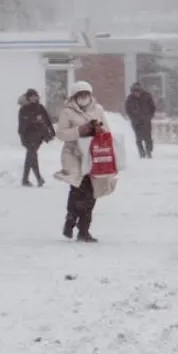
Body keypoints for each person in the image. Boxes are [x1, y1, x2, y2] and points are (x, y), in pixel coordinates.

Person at [54, 81, 115, 242]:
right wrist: (79, 131)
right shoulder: (67, 112)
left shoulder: (98, 109)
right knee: (77, 189)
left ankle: (84, 230)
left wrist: (98, 130)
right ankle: (71, 219)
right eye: (80, 95)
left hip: (94, 155)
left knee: (92, 193)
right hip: (74, 155)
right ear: (75, 96)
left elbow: (107, 132)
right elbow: (61, 134)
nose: (84, 97)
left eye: (86, 94)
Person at [18, 88, 55, 187]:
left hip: (38, 136)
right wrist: (34, 120)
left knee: (31, 157)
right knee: (32, 155)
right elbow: (22, 124)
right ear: (28, 98)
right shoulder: (23, 109)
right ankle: (38, 178)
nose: (34, 98)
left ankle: (26, 180)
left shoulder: (40, 108)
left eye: (35, 96)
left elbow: (47, 120)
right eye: (32, 97)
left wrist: (52, 131)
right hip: (27, 136)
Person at [125, 83, 157, 159]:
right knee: (138, 138)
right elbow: (128, 110)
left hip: (146, 120)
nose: (136, 93)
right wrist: (133, 118)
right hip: (136, 122)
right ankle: (141, 152)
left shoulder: (147, 96)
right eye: (134, 92)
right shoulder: (130, 99)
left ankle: (149, 151)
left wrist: (149, 116)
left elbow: (153, 107)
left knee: (148, 137)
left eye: (137, 91)